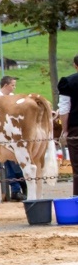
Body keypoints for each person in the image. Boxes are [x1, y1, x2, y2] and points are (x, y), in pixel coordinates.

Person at [0, 76, 26, 201]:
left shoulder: (13, 98)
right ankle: (17, 188)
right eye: (12, 85)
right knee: (9, 162)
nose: (14, 87)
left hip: (13, 135)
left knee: (14, 162)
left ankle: (17, 188)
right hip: (0, 135)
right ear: (5, 85)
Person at [58, 55, 78, 196]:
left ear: (75, 65)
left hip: (76, 129)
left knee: (77, 166)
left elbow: (64, 109)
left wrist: (65, 130)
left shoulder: (68, 82)